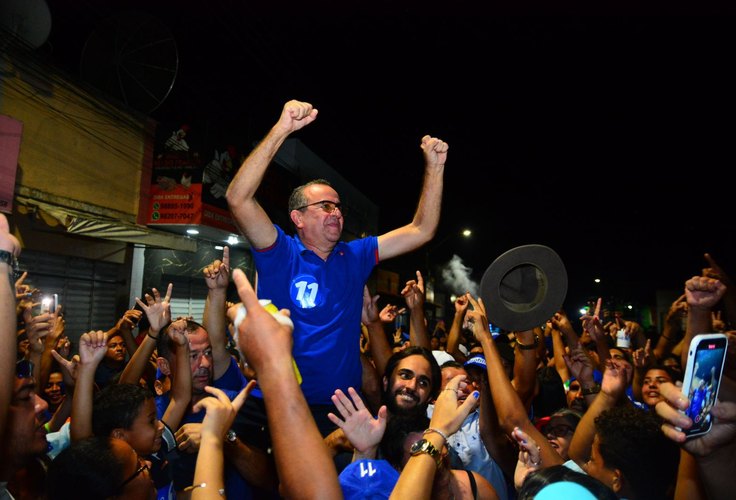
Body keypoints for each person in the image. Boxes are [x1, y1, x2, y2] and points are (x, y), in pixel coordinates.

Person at [226, 99, 448, 437]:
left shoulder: (355, 254)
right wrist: (282, 129)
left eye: (339, 207)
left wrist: (435, 167)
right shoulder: (279, 251)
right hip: (275, 404)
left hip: (340, 411)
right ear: (298, 218)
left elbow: (422, 230)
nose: (338, 213)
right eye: (325, 205)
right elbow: (238, 198)